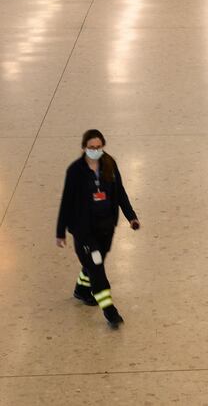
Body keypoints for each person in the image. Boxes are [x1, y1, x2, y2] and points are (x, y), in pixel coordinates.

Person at [56, 129, 140, 327]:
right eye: (91, 148)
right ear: (84, 148)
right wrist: (60, 232)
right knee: (97, 269)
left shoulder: (109, 164)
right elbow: (67, 202)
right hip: (84, 230)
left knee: (93, 263)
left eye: (98, 147)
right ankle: (109, 311)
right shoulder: (75, 171)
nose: (95, 150)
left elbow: (120, 193)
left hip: (106, 227)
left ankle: (81, 290)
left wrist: (131, 217)